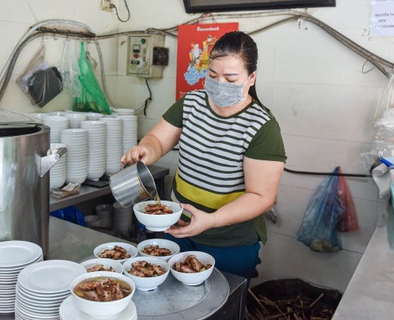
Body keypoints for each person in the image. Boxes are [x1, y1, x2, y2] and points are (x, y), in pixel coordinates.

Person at [120, 31, 286, 285]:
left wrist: (211, 220)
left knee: (221, 304)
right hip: (177, 228)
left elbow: (261, 196)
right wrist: (145, 150)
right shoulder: (191, 102)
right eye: (213, 75)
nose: (220, 84)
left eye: (231, 78)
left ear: (251, 78)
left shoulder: (262, 126)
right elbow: (159, 140)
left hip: (229, 242)